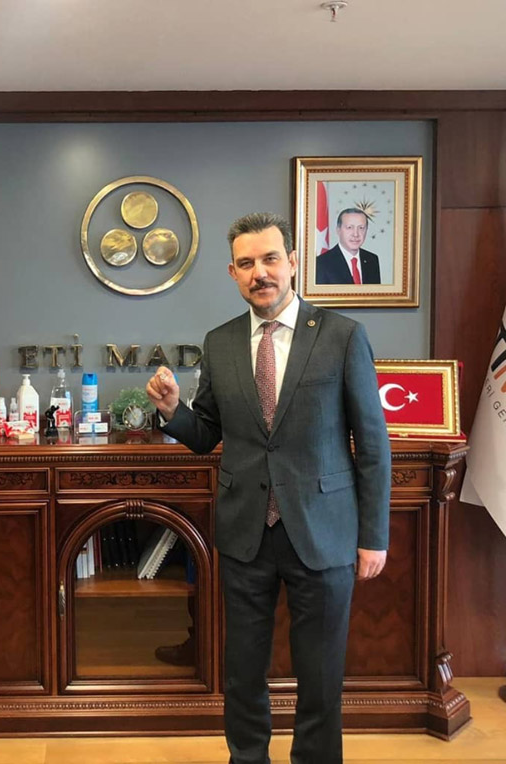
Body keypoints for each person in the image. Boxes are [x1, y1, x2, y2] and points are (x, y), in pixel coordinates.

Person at [146, 212, 390, 764]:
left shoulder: (343, 336)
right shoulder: (220, 342)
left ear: (294, 262)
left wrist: (373, 536)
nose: (260, 272)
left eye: (271, 258)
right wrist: (173, 411)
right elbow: (207, 434)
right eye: (247, 263)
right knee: (242, 672)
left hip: (324, 532)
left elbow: (372, 443)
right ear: (232, 272)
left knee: (320, 676)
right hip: (245, 535)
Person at [316, 208, 381, 285]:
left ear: (366, 230)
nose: (356, 234)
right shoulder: (321, 263)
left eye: (361, 228)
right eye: (349, 227)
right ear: (338, 230)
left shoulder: (372, 260)